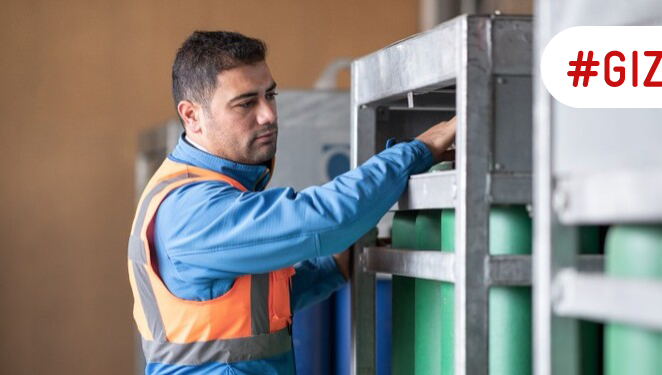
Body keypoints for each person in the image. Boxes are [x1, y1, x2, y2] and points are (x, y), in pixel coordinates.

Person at [127, 30, 456, 374]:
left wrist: (335, 267)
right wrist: (416, 151)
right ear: (192, 116)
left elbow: (251, 307)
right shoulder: (190, 208)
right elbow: (324, 220)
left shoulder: (214, 188)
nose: (268, 114)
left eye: (270, 95)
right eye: (246, 102)